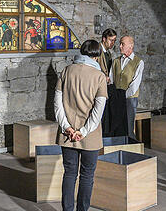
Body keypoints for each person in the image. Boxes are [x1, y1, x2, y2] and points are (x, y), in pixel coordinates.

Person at [54, 39, 108, 211]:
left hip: (67, 133)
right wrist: (83, 131)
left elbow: (57, 103)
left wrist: (67, 127)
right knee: (87, 175)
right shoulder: (99, 77)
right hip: (89, 135)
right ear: (97, 55)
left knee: (69, 174)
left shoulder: (66, 71)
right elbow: (98, 110)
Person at [108, 35, 144, 139]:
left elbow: (135, 84)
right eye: (120, 43)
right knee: (116, 125)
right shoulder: (116, 61)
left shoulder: (138, 62)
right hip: (116, 98)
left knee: (128, 126)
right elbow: (111, 80)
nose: (119, 46)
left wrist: (123, 96)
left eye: (122, 44)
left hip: (129, 99)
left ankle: (131, 149)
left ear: (131, 46)